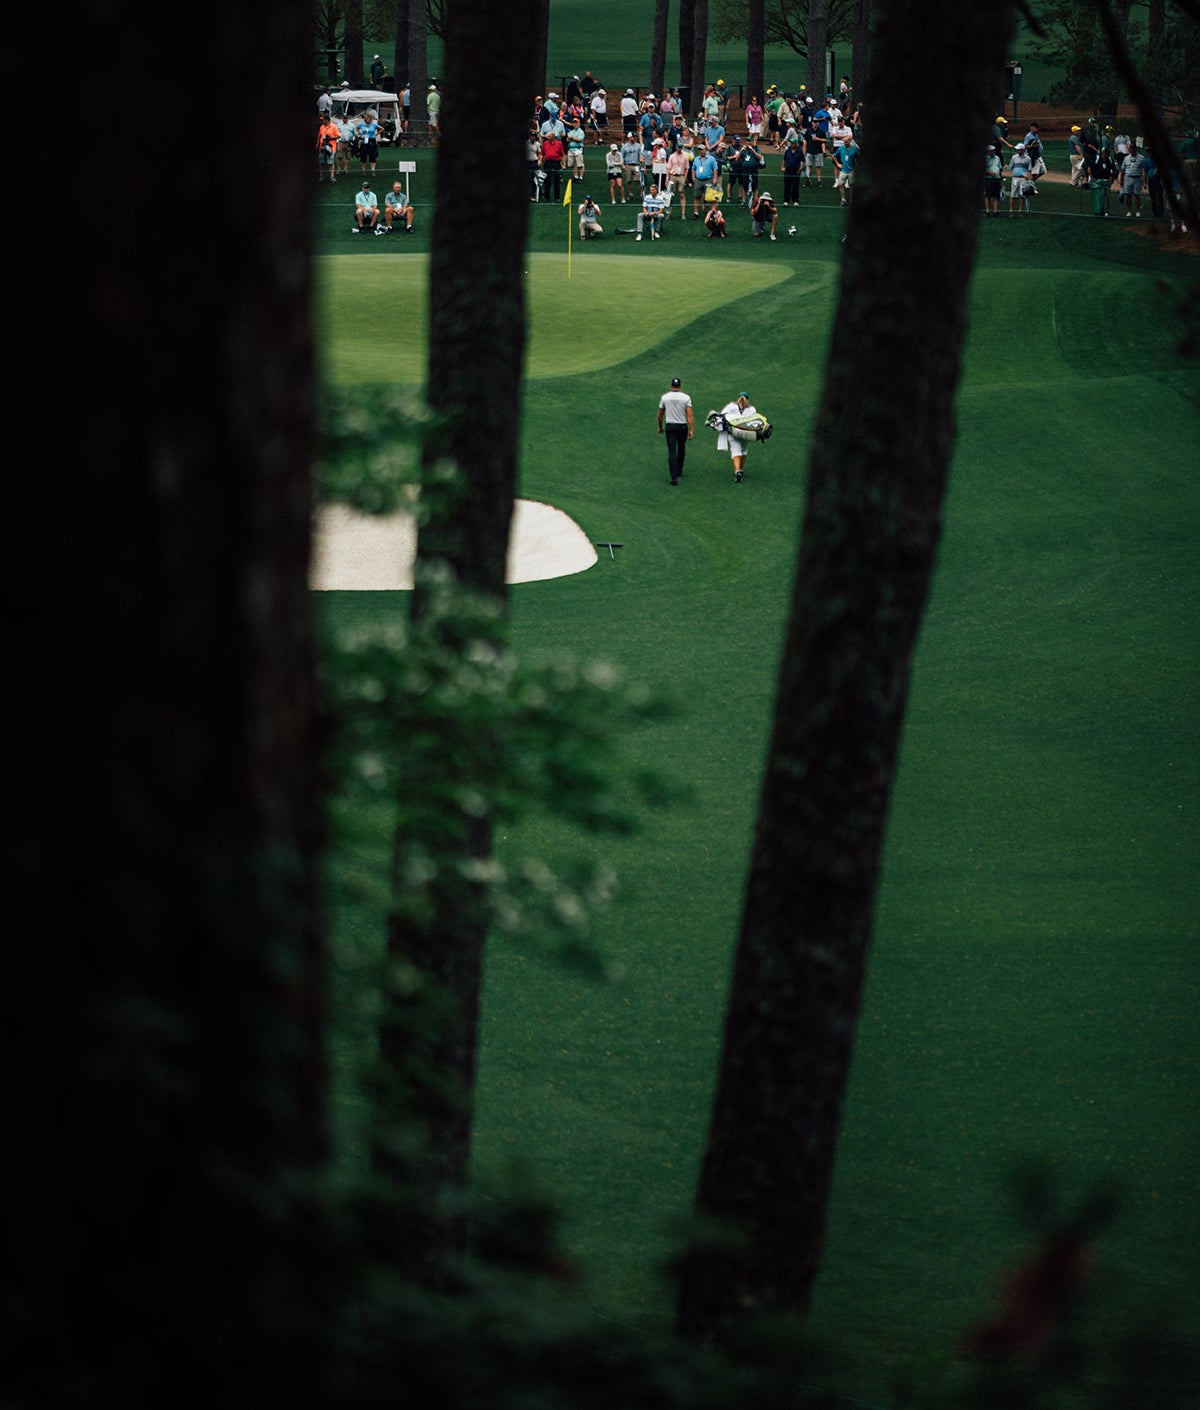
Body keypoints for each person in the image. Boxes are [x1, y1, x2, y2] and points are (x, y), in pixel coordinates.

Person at [657, 376, 694, 485]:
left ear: (671, 386)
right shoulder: (686, 398)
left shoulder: (665, 397)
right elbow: (689, 415)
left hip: (670, 426)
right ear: (680, 386)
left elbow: (659, 415)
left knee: (672, 451)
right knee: (681, 447)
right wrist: (691, 429)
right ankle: (679, 470)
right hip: (682, 426)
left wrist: (660, 427)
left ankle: (674, 478)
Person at [717, 392, 756, 481]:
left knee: (735, 451)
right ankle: (741, 469)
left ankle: (737, 470)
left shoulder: (731, 406)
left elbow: (722, 416)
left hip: (733, 433)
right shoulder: (752, 410)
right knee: (744, 451)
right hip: (746, 434)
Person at [692, 146, 719, 218]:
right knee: (697, 196)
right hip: (698, 180)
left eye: (702, 150)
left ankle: (711, 213)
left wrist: (715, 179)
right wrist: (693, 177)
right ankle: (696, 213)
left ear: (705, 150)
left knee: (710, 197)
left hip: (708, 179)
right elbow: (693, 169)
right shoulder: (696, 159)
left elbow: (715, 169)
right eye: (699, 150)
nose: (701, 151)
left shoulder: (711, 159)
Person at [540, 128, 566, 202]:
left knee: (556, 180)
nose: (547, 137)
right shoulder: (545, 143)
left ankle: (557, 197)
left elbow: (562, 154)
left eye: (548, 136)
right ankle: (546, 196)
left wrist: (563, 164)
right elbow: (542, 153)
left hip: (556, 163)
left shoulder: (559, 143)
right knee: (547, 180)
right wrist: (540, 160)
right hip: (548, 163)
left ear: (553, 136)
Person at [832, 134, 859, 206]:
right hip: (843, 170)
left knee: (851, 185)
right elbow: (834, 156)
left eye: (846, 141)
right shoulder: (841, 148)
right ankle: (843, 199)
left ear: (850, 141)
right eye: (844, 141)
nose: (845, 143)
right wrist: (838, 164)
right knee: (840, 184)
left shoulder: (854, 149)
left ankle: (852, 200)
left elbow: (858, 159)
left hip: (852, 170)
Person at [1007, 142, 1032, 216]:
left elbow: (1029, 170)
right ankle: (1011, 211)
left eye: (1019, 149)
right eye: (1017, 149)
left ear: (1022, 150)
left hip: (1023, 179)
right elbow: (1010, 167)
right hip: (1015, 178)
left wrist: (1028, 177)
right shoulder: (1014, 157)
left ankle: (1020, 211)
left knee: (1022, 195)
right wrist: (1007, 167)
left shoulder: (1028, 159)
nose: (1017, 150)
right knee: (1013, 195)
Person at [1120, 145, 1145, 217]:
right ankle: (1129, 211)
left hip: (1137, 177)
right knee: (1128, 195)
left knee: (1137, 195)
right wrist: (1121, 179)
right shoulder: (1126, 158)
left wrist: (1143, 179)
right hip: (1128, 177)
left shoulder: (1141, 158)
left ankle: (1138, 211)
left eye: (1134, 149)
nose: (1133, 150)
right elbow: (1123, 169)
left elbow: (1143, 169)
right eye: (1131, 149)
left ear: (1136, 149)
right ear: (1130, 150)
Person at [781, 135, 804, 205]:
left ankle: (795, 200)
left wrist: (801, 168)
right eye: (791, 143)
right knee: (787, 186)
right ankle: (786, 200)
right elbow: (784, 159)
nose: (791, 144)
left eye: (792, 143)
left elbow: (803, 161)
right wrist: (782, 167)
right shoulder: (788, 151)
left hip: (796, 171)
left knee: (795, 186)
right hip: (788, 170)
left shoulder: (799, 152)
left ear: (796, 144)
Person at [316, 114, 340, 182]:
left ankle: (332, 176)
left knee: (331, 163)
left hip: (331, 147)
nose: (322, 121)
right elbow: (319, 136)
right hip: (322, 147)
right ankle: (321, 176)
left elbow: (338, 136)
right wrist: (317, 144)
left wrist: (329, 138)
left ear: (327, 120)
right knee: (321, 162)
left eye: (323, 120)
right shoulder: (321, 127)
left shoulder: (334, 127)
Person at [621, 132, 643, 198]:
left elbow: (640, 154)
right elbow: (622, 156)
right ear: (629, 138)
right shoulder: (624, 147)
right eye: (632, 137)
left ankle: (642, 193)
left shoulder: (638, 146)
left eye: (634, 137)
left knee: (638, 180)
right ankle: (630, 194)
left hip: (636, 164)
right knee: (629, 180)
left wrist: (641, 158)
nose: (633, 138)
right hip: (628, 165)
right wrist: (623, 165)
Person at [984, 144, 1003, 217]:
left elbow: (1000, 168)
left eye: (994, 150)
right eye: (992, 150)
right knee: (988, 195)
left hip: (997, 179)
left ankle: (995, 211)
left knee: (996, 195)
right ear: (988, 151)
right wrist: (989, 173)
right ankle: (987, 211)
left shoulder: (997, 158)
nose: (993, 151)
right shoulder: (985, 159)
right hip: (989, 179)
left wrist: (1001, 178)